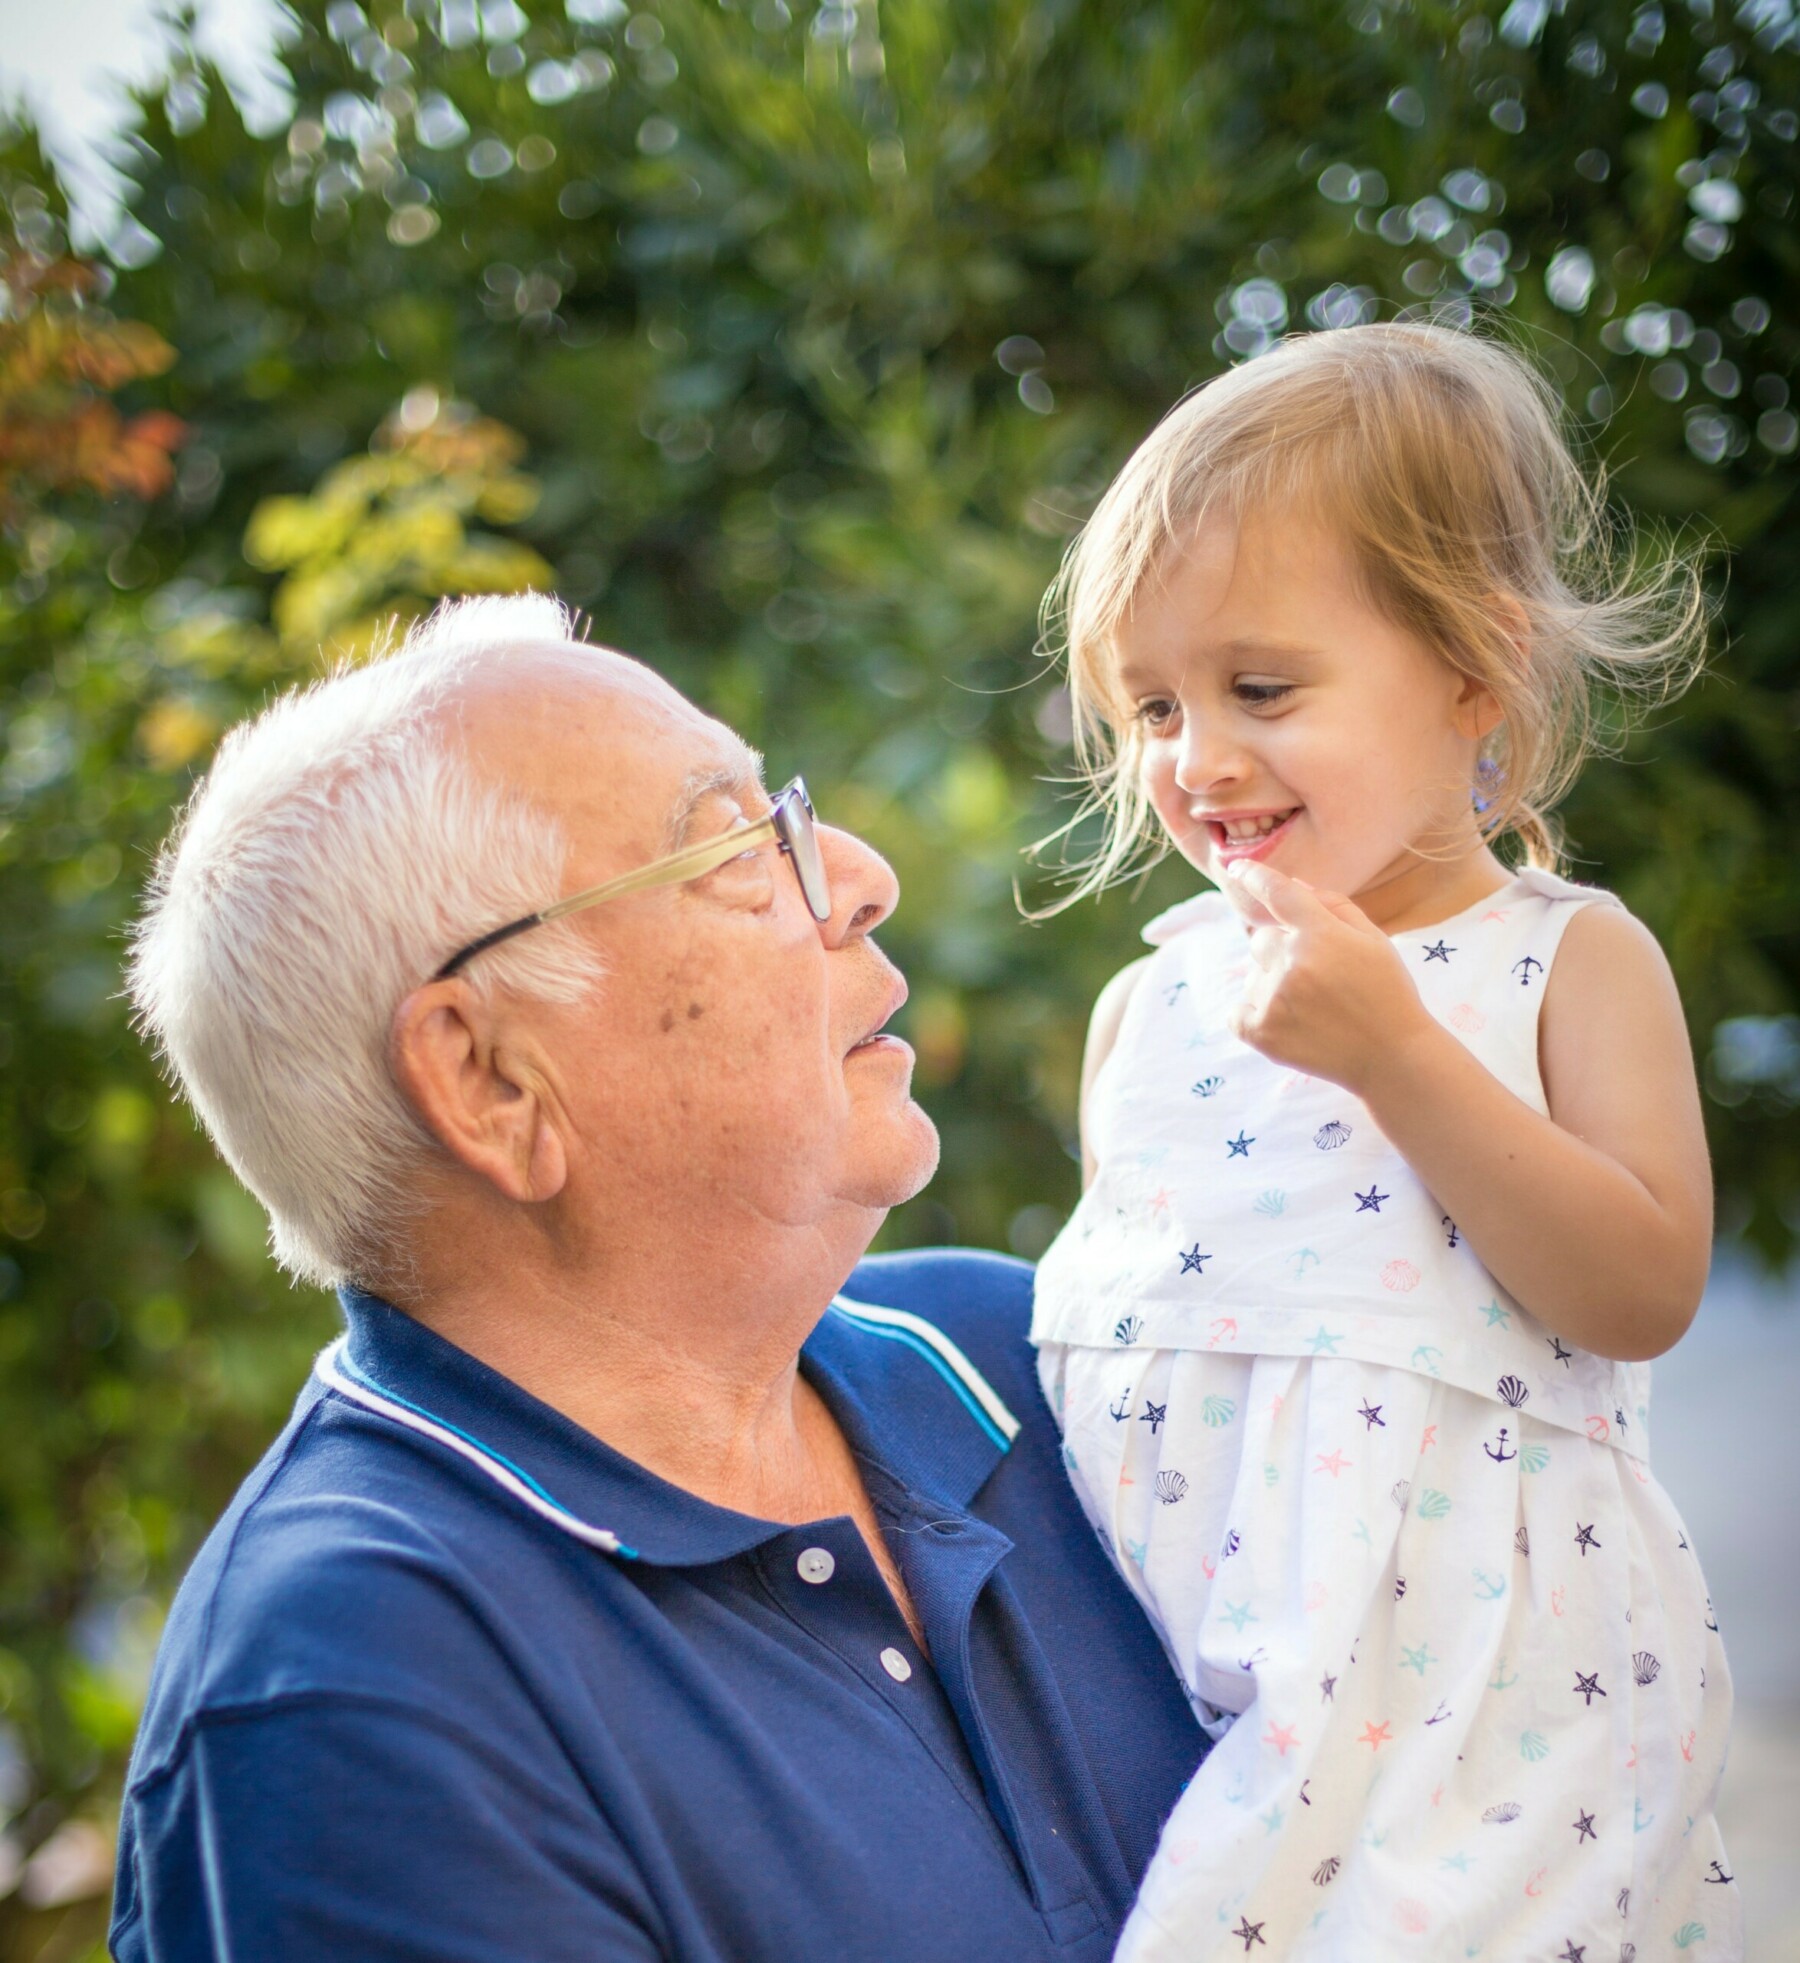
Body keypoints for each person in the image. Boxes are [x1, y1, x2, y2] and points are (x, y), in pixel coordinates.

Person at [111, 595, 1203, 1962]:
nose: (860, 877)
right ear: (491, 1079)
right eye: (740, 852)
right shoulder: (355, 1682)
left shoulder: (1025, 1352)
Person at [1028, 323, 1741, 1960]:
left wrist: (1400, 1057)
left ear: (1473, 671)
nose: (1197, 760)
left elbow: (1636, 1290)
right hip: (1190, 1693)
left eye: (1260, 687)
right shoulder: (1153, 1010)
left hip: (1484, 1717)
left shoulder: (1563, 961)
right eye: (1150, 705)